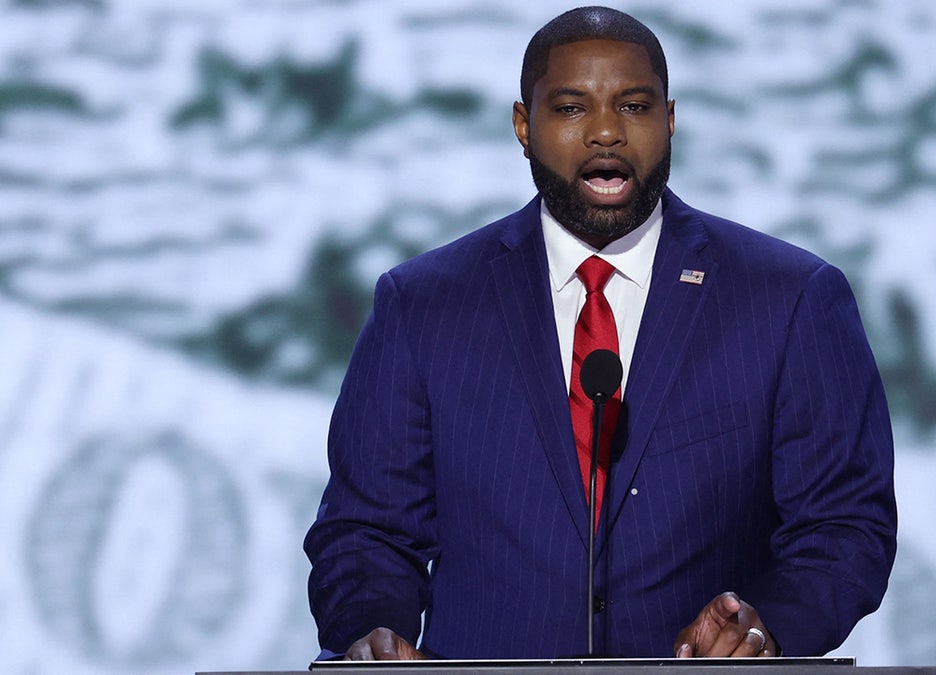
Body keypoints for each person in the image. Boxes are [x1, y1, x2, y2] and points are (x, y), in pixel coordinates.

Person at [304, 5, 896, 661]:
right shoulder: (421, 304)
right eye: (570, 108)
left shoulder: (790, 299)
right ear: (523, 126)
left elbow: (844, 525)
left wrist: (768, 626)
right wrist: (369, 630)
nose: (606, 132)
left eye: (635, 106)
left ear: (669, 122)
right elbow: (365, 531)